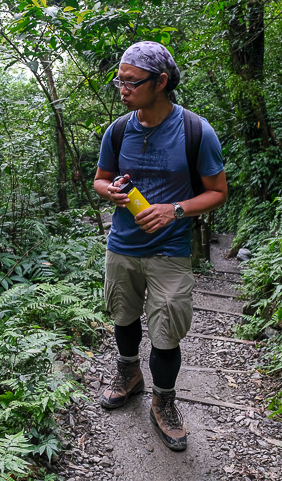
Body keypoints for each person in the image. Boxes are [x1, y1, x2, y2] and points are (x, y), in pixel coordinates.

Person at [93, 41, 227, 452]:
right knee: (123, 316)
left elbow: (218, 191)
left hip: (169, 249)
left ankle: (164, 402)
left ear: (161, 82)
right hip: (123, 246)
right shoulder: (117, 131)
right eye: (120, 80)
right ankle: (129, 375)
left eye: (132, 82)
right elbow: (100, 179)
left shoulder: (195, 131)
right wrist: (110, 193)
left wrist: (175, 210)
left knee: (166, 331)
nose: (123, 88)